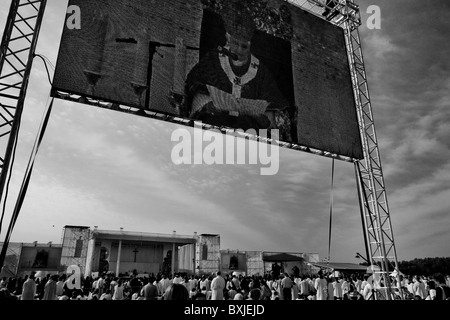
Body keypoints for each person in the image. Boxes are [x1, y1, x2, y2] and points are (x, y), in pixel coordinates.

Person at [185, 1, 292, 135]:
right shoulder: (213, 60)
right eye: (235, 43)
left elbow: (276, 112)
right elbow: (196, 90)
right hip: (213, 134)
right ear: (228, 38)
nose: (239, 50)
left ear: (250, 45)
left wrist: (263, 116)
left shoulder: (261, 72)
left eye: (244, 46)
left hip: (250, 140)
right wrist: (208, 105)